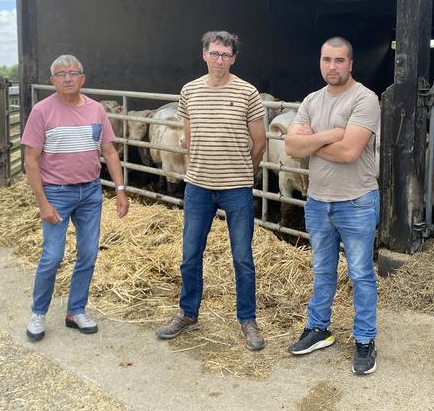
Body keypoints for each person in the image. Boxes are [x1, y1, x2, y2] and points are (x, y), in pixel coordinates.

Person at [155, 30, 267, 351]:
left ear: (234, 58)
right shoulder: (189, 92)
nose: (220, 60)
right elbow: (188, 139)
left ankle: (247, 319)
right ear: (204, 53)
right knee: (190, 255)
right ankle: (188, 313)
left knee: (242, 257)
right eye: (214, 53)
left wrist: (247, 173)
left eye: (226, 55)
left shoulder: (248, 92)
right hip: (198, 187)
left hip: (236, 189)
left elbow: (259, 142)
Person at [284, 37, 380, 375]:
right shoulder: (312, 100)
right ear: (320, 62)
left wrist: (310, 142)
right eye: (327, 59)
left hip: (356, 201)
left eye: (340, 60)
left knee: (360, 273)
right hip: (318, 201)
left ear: (351, 64)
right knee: (322, 269)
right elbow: (291, 146)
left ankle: (365, 338)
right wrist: (329, 136)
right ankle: (319, 329)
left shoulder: (365, 99)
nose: (333, 67)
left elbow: (349, 152)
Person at [21, 54, 129, 341]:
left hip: (90, 192)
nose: (67, 78)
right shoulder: (42, 111)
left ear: (83, 78)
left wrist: (119, 190)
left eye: (73, 73)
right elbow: (31, 161)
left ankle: (76, 310)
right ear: (52, 80)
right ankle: (38, 313)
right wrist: (42, 202)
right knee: (53, 256)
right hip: (56, 192)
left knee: (88, 253)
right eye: (61, 73)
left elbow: (109, 152)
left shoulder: (96, 110)